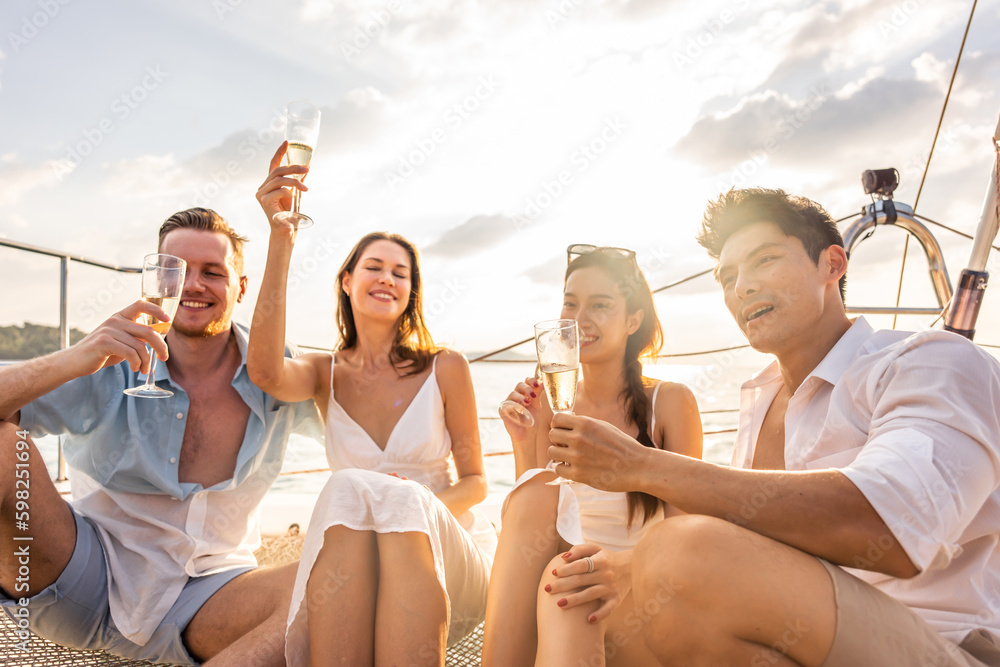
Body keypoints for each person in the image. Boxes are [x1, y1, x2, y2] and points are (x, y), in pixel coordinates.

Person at [546, 188, 1000, 666]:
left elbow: (890, 525)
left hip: (938, 647)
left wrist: (639, 465)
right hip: (803, 639)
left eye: (764, 260)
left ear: (832, 265)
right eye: (727, 276)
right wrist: (628, 566)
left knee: (679, 552)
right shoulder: (760, 399)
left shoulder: (932, 362)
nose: (741, 287)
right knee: (576, 591)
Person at [0, 208, 323, 666]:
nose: (192, 285)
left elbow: (358, 430)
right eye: (176, 271)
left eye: (212, 272)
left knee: (337, 585)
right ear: (154, 284)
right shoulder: (110, 359)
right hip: (82, 578)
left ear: (241, 287)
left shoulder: (275, 370)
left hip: (212, 596)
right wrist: (76, 357)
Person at [250, 143, 496, 666]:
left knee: (391, 498)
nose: (387, 278)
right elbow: (265, 372)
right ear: (347, 281)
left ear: (410, 292)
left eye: (400, 273)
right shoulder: (323, 373)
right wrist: (280, 238)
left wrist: (413, 509)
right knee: (348, 490)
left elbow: (476, 482)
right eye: (374, 266)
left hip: (443, 554)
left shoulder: (446, 366)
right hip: (360, 563)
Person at [481, 244, 703, 666]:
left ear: (633, 319)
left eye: (600, 305)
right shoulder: (548, 400)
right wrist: (521, 440)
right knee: (559, 559)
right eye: (571, 303)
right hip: (564, 587)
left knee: (570, 581)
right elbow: (533, 527)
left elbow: (685, 541)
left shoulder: (670, 403)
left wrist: (621, 568)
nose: (581, 318)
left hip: (641, 597)